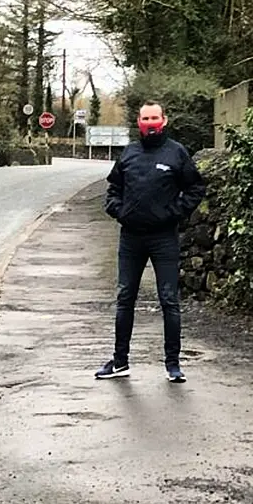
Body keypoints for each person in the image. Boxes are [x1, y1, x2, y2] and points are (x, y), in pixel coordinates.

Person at [95, 101, 206, 382]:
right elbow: (114, 189)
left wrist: (174, 214)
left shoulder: (176, 153)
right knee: (125, 300)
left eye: (155, 117)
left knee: (169, 301)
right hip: (131, 238)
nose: (151, 122)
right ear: (139, 121)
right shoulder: (129, 153)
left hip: (163, 238)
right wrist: (119, 211)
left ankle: (173, 364)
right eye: (146, 118)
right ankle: (120, 362)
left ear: (164, 120)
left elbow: (195, 187)